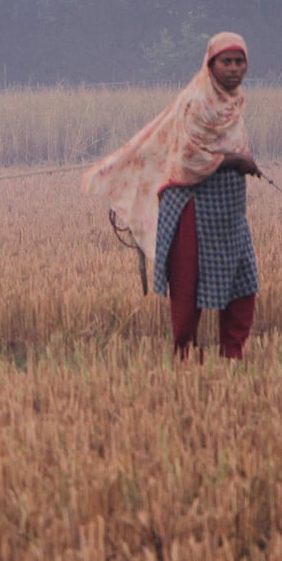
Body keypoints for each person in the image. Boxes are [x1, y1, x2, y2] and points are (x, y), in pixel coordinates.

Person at [83, 32, 261, 361]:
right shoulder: (197, 102)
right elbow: (189, 159)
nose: (234, 69)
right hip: (192, 208)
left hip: (230, 214)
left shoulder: (233, 102)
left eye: (240, 62)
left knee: (243, 284)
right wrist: (238, 161)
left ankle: (232, 355)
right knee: (187, 290)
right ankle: (184, 357)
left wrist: (240, 162)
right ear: (211, 64)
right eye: (227, 61)